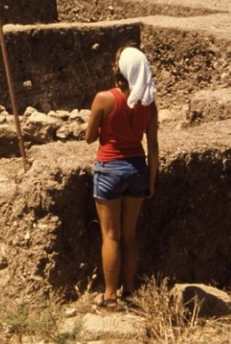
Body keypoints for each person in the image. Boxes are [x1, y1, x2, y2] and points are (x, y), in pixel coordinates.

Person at [85, 45, 159, 309]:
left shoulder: (104, 99)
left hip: (109, 168)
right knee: (129, 235)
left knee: (110, 235)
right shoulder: (149, 103)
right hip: (137, 169)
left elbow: (90, 137)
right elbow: (153, 145)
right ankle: (128, 289)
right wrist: (151, 181)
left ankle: (109, 296)